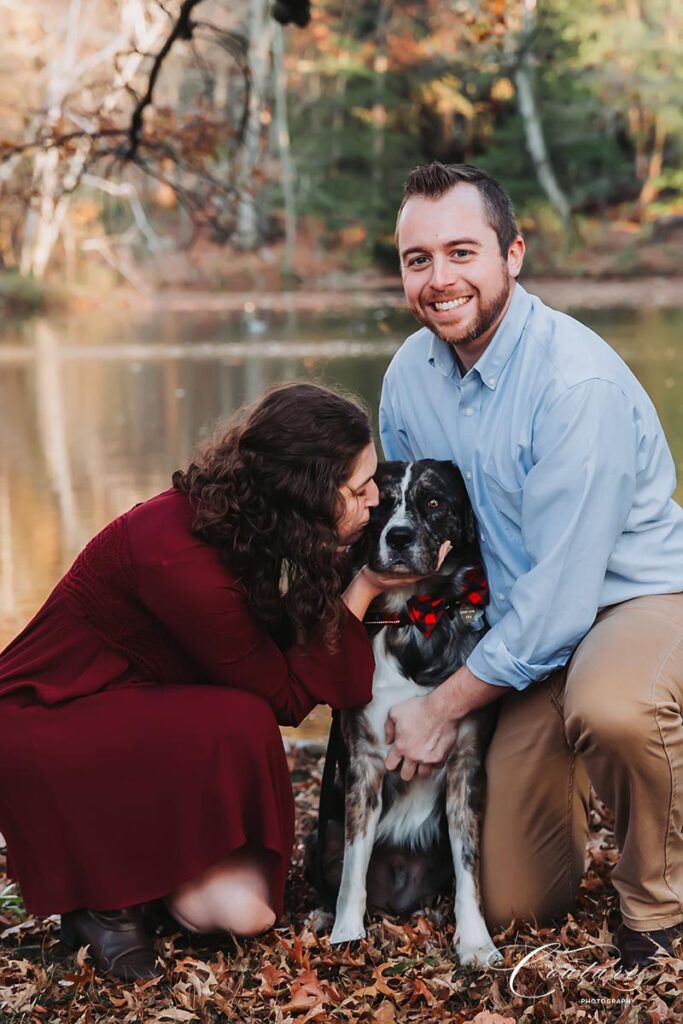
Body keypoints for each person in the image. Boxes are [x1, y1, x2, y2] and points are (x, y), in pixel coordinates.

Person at [0, 381, 418, 981]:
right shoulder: (180, 558)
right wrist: (366, 588)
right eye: (359, 489)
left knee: (249, 914)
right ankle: (104, 904)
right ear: (303, 496)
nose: (377, 499)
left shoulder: (255, 526)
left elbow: (303, 668)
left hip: (145, 718)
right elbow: (287, 698)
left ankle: (145, 874)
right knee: (243, 717)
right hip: (48, 722)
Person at [379, 161, 683, 968]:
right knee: (516, 901)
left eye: (462, 252)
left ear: (512, 253)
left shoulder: (572, 384)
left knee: (613, 703)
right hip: (514, 622)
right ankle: (589, 775)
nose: (440, 280)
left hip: (631, 601)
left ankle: (658, 901)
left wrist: (443, 708)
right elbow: (422, 547)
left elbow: (560, 606)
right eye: (418, 260)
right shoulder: (410, 374)